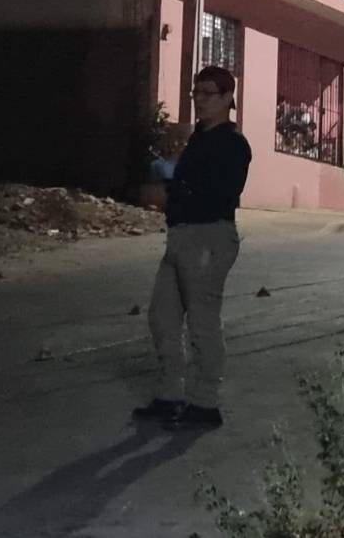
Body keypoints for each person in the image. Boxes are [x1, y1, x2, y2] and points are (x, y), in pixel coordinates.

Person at [133, 66, 252, 430]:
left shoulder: (233, 144)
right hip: (182, 236)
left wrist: (171, 192)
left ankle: (205, 402)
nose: (199, 100)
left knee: (202, 322)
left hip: (208, 237)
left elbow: (219, 194)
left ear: (228, 97)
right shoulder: (199, 137)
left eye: (208, 93)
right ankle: (170, 394)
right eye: (195, 93)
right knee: (162, 316)